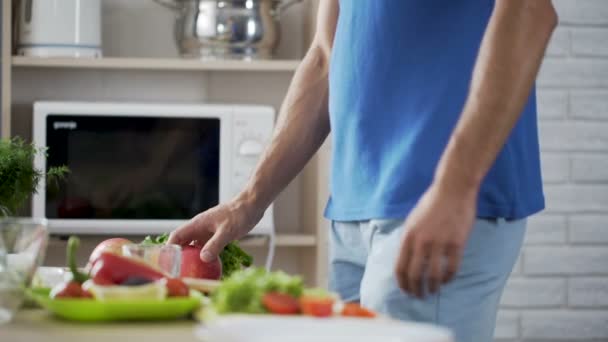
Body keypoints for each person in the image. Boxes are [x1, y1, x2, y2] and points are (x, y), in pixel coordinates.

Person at [169, 1, 557, 341]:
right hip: (354, 214)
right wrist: (247, 203)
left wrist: (455, 187)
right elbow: (325, 57)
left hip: (435, 200)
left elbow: (529, 12)